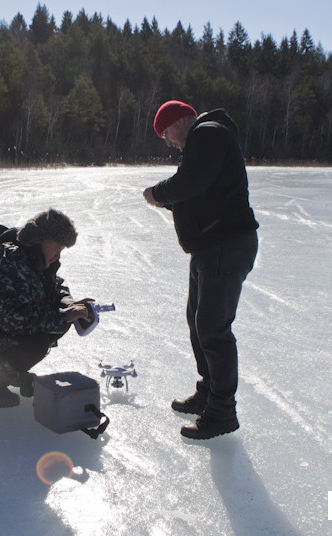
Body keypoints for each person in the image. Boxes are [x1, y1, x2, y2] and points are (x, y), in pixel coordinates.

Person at [143, 100, 259, 440]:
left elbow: (190, 183)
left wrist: (157, 194)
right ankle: (209, 392)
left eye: (166, 132)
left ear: (180, 122)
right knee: (198, 319)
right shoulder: (205, 142)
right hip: (211, 246)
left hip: (226, 244)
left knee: (213, 327)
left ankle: (222, 412)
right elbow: (199, 192)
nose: (167, 141)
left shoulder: (208, 134)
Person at [0, 209, 93, 408]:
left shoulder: (34, 259)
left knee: (57, 322)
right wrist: (62, 316)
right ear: (39, 240)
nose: (58, 256)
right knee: (37, 340)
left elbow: (55, 286)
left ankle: (11, 373)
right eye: (57, 247)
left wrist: (68, 303)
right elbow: (16, 321)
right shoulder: (7, 265)